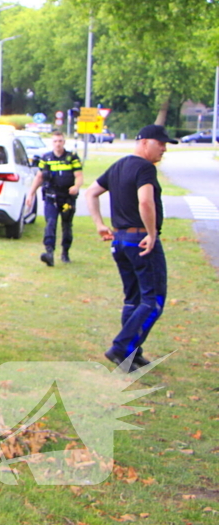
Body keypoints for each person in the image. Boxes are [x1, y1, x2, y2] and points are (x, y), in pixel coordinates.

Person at [85, 124, 177, 372]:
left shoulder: (119, 165)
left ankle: (131, 354)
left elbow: (91, 192)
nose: (164, 150)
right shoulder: (145, 168)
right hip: (141, 241)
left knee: (134, 299)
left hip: (121, 242)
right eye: (161, 144)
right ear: (146, 142)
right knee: (153, 300)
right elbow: (145, 201)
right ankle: (121, 348)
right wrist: (151, 233)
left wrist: (99, 225)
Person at [26, 132, 83, 266]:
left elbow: (79, 176)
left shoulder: (71, 157)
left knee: (66, 225)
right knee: (50, 223)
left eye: (60, 141)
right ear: (52, 143)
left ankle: (65, 252)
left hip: (67, 198)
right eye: (55, 141)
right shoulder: (46, 158)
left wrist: (76, 186)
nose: (58, 144)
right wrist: (31, 193)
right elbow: (39, 177)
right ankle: (49, 253)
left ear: (64, 142)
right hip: (51, 197)